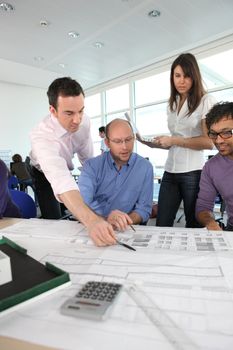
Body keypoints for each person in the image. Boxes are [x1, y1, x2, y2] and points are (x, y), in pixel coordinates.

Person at [29, 77, 117, 246]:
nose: (77, 120)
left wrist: (107, 202)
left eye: (81, 111)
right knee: (54, 219)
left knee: (82, 206)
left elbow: (89, 162)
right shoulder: (41, 136)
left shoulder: (84, 123)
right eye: (69, 113)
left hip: (66, 170)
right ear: (53, 111)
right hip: (42, 172)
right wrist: (92, 221)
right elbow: (61, 180)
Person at [137, 53, 216, 228]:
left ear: (194, 76)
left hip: (192, 173)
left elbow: (208, 142)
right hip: (170, 172)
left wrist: (173, 140)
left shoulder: (205, 101)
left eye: (187, 76)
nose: (181, 81)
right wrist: (153, 143)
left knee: (193, 225)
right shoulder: (172, 103)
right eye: (177, 75)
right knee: (162, 222)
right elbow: (175, 143)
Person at [79, 119, 153, 229]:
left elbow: (144, 209)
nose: (125, 147)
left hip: (126, 228)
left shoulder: (145, 167)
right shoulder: (91, 167)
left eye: (128, 140)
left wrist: (123, 222)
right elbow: (82, 204)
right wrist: (104, 221)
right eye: (118, 141)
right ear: (107, 143)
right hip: (94, 224)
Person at [196, 101, 233, 231]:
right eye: (213, 134)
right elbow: (203, 207)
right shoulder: (210, 167)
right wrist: (210, 222)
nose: (219, 140)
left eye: (227, 132)